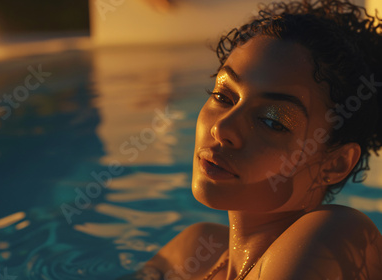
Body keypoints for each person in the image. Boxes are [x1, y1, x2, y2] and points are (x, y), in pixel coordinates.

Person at [120, 0, 382, 279]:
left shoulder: (337, 232)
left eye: (272, 121)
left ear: (336, 163)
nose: (222, 128)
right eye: (223, 97)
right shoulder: (192, 253)